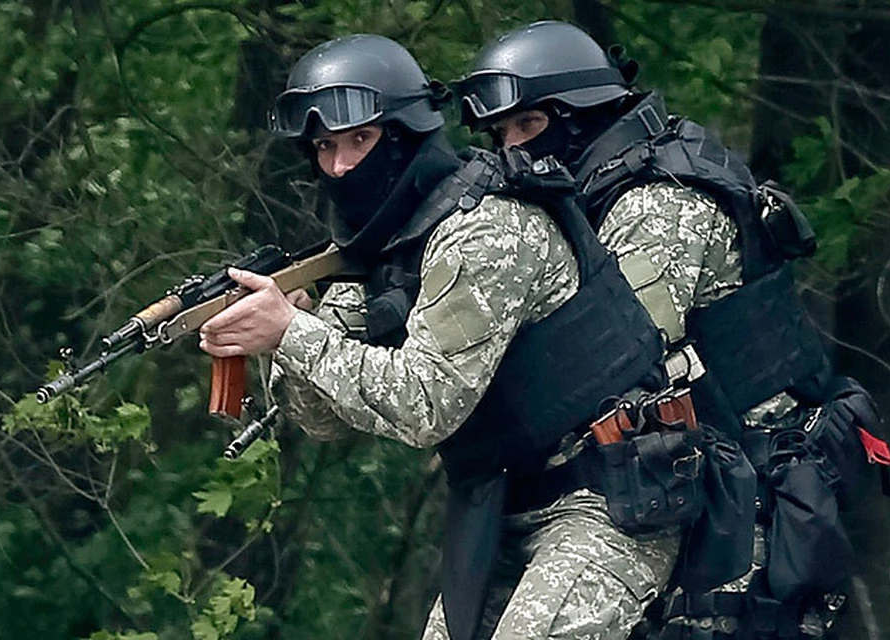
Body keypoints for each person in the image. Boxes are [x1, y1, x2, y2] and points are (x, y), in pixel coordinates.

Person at [198, 32, 700, 640]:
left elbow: (427, 406)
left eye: (359, 139)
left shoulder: (484, 229)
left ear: (404, 134)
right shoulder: (380, 252)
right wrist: (288, 340)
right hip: (501, 504)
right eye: (324, 147)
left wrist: (293, 331)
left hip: (608, 497)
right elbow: (325, 422)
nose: (340, 166)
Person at [453, 20, 890, 640]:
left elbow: (611, 361)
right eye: (501, 133)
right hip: (667, 490)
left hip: (740, 503)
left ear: (584, 114)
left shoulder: (659, 202)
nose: (512, 149)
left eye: (528, 124)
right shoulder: (587, 201)